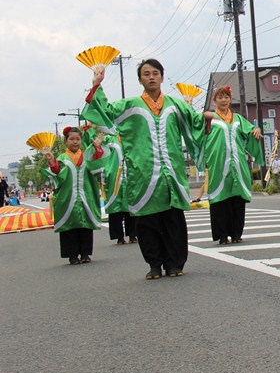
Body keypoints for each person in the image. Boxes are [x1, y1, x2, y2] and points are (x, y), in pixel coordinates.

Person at [82, 58, 206, 280]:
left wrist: (209, 117)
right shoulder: (130, 106)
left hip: (171, 173)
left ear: (162, 76)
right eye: (146, 73)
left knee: (173, 220)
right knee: (148, 222)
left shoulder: (175, 105)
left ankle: (175, 263)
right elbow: (105, 112)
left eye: (155, 73)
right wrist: (96, 84)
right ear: (140, 79)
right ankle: (155, 265)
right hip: (143, 173)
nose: (151, 77)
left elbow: (196, 122)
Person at [200, 86, 264, 245]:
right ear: (215, 100)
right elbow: (198, 135)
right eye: (220, 97)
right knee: (220, 199)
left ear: (230, 99)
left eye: (226, 97)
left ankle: (236, 233)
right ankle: (222, 235)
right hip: (218, 164)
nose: (224, 100)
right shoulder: (210, 118)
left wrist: (255, 130)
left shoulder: (238, 118)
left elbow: (250, 131)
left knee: (237, 199)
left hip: (238, 162)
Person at [43, 127, 106, 265]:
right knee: (69, 226)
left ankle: (85, 254)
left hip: (86, 195)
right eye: (71, 139)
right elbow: (57, 173)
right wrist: (52, 161)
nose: (75, 142)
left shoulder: (87, 155)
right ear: (66, 141)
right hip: (67, 197)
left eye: (78, 139)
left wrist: (97, 149)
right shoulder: (62, 158)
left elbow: (98, 164)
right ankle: (72, 255)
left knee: (85, 225)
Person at [83, 124, 136, 245]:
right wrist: (91, 136)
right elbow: (92, 150)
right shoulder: (106, 138)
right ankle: (119, 237)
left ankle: (133, 234)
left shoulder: (128, 135)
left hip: (129, 175)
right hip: (113, 176)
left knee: (131, 206)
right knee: (115, 206)